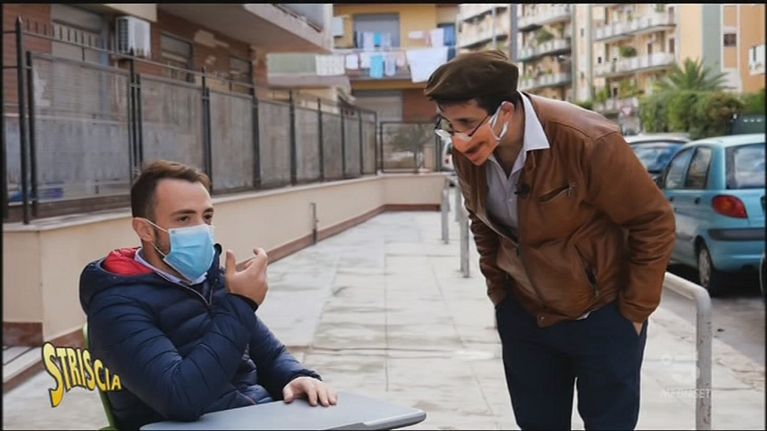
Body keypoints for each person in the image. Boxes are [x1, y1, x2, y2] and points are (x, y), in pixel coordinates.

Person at [424, 50, 675, 430]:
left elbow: (653, 221)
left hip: (602, 314)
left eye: (467, 123)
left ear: (505, 112)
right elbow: (481, 221)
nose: (458, 138)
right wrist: (500, 294)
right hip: (525, 315)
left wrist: (634, 312)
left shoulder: (587, 139)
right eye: (449, 125)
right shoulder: (470, 151)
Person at [79, 160, 336, 430]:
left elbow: (270, 355)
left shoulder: (213, 280)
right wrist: (242, 304)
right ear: (145, 229)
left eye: (208, 216)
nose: (201, 229)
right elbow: (181, 398)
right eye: (184, 219)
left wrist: (296, 377)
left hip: (258, 418)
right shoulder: (115, 305)